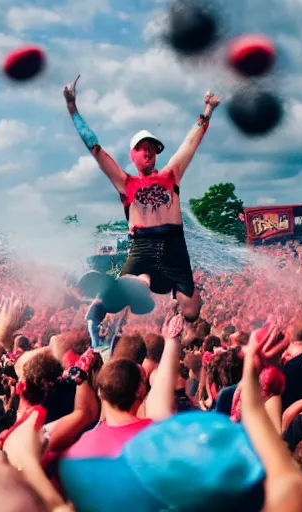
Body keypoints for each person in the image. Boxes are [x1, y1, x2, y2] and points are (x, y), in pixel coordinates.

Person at [63, 75, 220, 341]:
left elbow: (190, 143)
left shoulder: (172, 174)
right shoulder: (125, 182)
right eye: (142, 148)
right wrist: (73, 109)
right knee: (135, 283)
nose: (148, 152)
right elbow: (95, 149)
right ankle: (101, 315)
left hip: (174, 245)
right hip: (143, 245)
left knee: (191, 305)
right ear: (133, 155)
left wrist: (208, 110)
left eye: (152, 148)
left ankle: (186, 333)